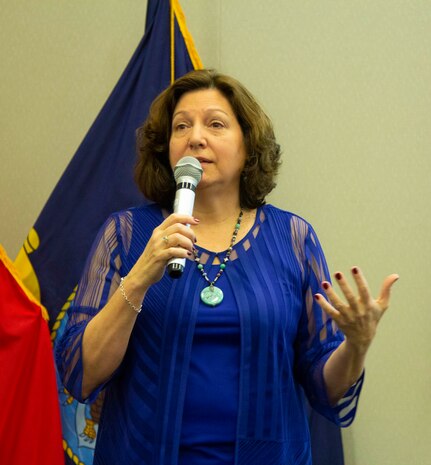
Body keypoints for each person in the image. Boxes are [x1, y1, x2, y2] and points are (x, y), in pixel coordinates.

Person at [56, 69, 398, 465]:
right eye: (181, 126)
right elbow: (82, 374)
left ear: (248, 146)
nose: (195, 137)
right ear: (166, 148)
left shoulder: (293, 238)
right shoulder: (128, 234)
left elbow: (326, 386)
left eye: (215, 124)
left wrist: (356, 345)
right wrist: (137, 281)